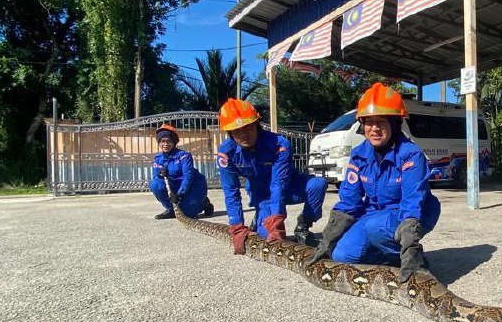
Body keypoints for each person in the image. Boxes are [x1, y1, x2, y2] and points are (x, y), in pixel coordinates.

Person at [308, 83, 441, 282]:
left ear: (395, 123)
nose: (375, 128)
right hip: (374, 214)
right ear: (362, 125)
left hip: (411, 214)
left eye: (382, 122)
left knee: (376, 227)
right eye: (369, 122)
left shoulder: (411, 155)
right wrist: (327, 239)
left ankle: (415, 260)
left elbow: (413, 202)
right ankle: (392, 258)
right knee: (342, 255)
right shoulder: (359, 154)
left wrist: (410, 242)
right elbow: (349, 201)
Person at [217, 98, 327, 253]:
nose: (243, 134)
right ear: (229, 133)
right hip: (262, 195)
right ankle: (259, 218)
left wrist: (276, 219)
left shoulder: (279, 144)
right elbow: (230, 191)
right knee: (266, 238)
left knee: (317, 184)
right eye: (237, 131)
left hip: (288, 186)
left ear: (257, 124)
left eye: (247, 127)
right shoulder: (225, 154)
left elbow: (279, 183)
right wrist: (236, 226)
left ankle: (303, 225)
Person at [149, 123, 213, 220]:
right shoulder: (157, 158)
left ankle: (204, 203)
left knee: (188, 214)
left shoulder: (184, 156)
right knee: (155, 184)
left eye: (169, 141)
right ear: (159, 142)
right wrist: (161, 174)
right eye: (162, 141)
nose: (165, 144)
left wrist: (179, 194)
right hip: (173, 185)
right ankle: (171, 209)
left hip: (192, 185)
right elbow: (156, 178)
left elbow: (188, 176)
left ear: (174, 143)